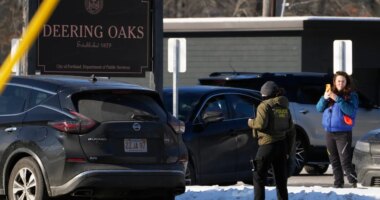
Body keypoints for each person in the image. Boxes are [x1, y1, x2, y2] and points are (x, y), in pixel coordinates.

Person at [248, 81, 295, 200]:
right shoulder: (284, 106)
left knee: (258, 176)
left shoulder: (264, 105)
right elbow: (290, 126)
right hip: (282, 145)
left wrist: (250, 122)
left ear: (264, 94)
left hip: (267, 145)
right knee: (280, 180)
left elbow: (260, 124)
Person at [316, 71, 358, 188]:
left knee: (345, 160)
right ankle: (338, 183)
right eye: (338, 81)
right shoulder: (330, 93)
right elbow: (319, 108)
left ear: (346, 82)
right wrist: (324, 98)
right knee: (333, 160)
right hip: (329, 132)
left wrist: (338, 99)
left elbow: (351, 111)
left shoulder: (351, 95)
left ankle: (353, 181)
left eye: (343, 81)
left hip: (343, 133)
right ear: (334, 82)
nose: (340, 83)